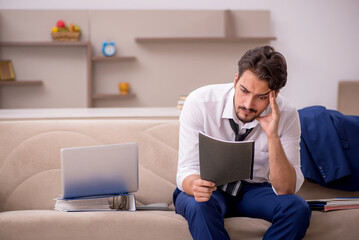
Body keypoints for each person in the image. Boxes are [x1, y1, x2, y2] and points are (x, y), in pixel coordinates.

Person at [173, 46, 311, 240]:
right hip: (210, 188)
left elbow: (286, 189)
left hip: (253, 191)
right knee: (199, 204)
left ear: (275, 95)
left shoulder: (287, 114)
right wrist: (194, 185)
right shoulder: (199, 102)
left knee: (297, 208)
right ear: (236, 80)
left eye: (261, 97)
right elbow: (186, 169)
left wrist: (273, 136)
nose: (248, 104)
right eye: (244, 91)